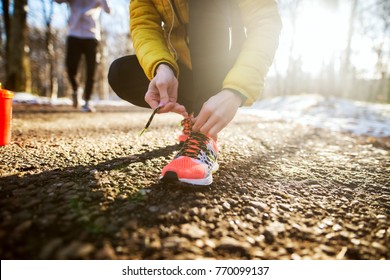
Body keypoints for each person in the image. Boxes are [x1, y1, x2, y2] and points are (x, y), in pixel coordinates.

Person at [108, 0, 282, 186]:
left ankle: (204, 137)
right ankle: (195, 116)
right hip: (184, 66)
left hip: (226, 64)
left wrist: (236, 90)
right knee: (121, 73)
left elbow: (265, 21)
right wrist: (162, 66)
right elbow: (144, 24)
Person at [55, 0, 111, 112]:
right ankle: (76, 89)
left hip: (92, 36)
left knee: (91, 69)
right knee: (70, 67)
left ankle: (88, 100)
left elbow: (108, 10)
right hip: (74, 35)